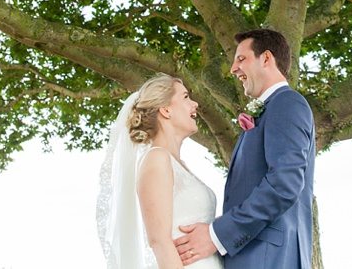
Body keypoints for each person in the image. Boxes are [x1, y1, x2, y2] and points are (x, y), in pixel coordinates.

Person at [173, 29, 316, 268]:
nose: (233, 69)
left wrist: (216, 236)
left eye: (241, 59)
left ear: (266, 58)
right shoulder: (270, 108)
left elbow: (284, 183)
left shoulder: (286, 103)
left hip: (269, 259)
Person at [97, 74, 223, 269]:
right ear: (165, 110)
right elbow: (160, 242)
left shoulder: (178, 164)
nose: (195, 104)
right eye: (186, 97)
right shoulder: (157, 158)